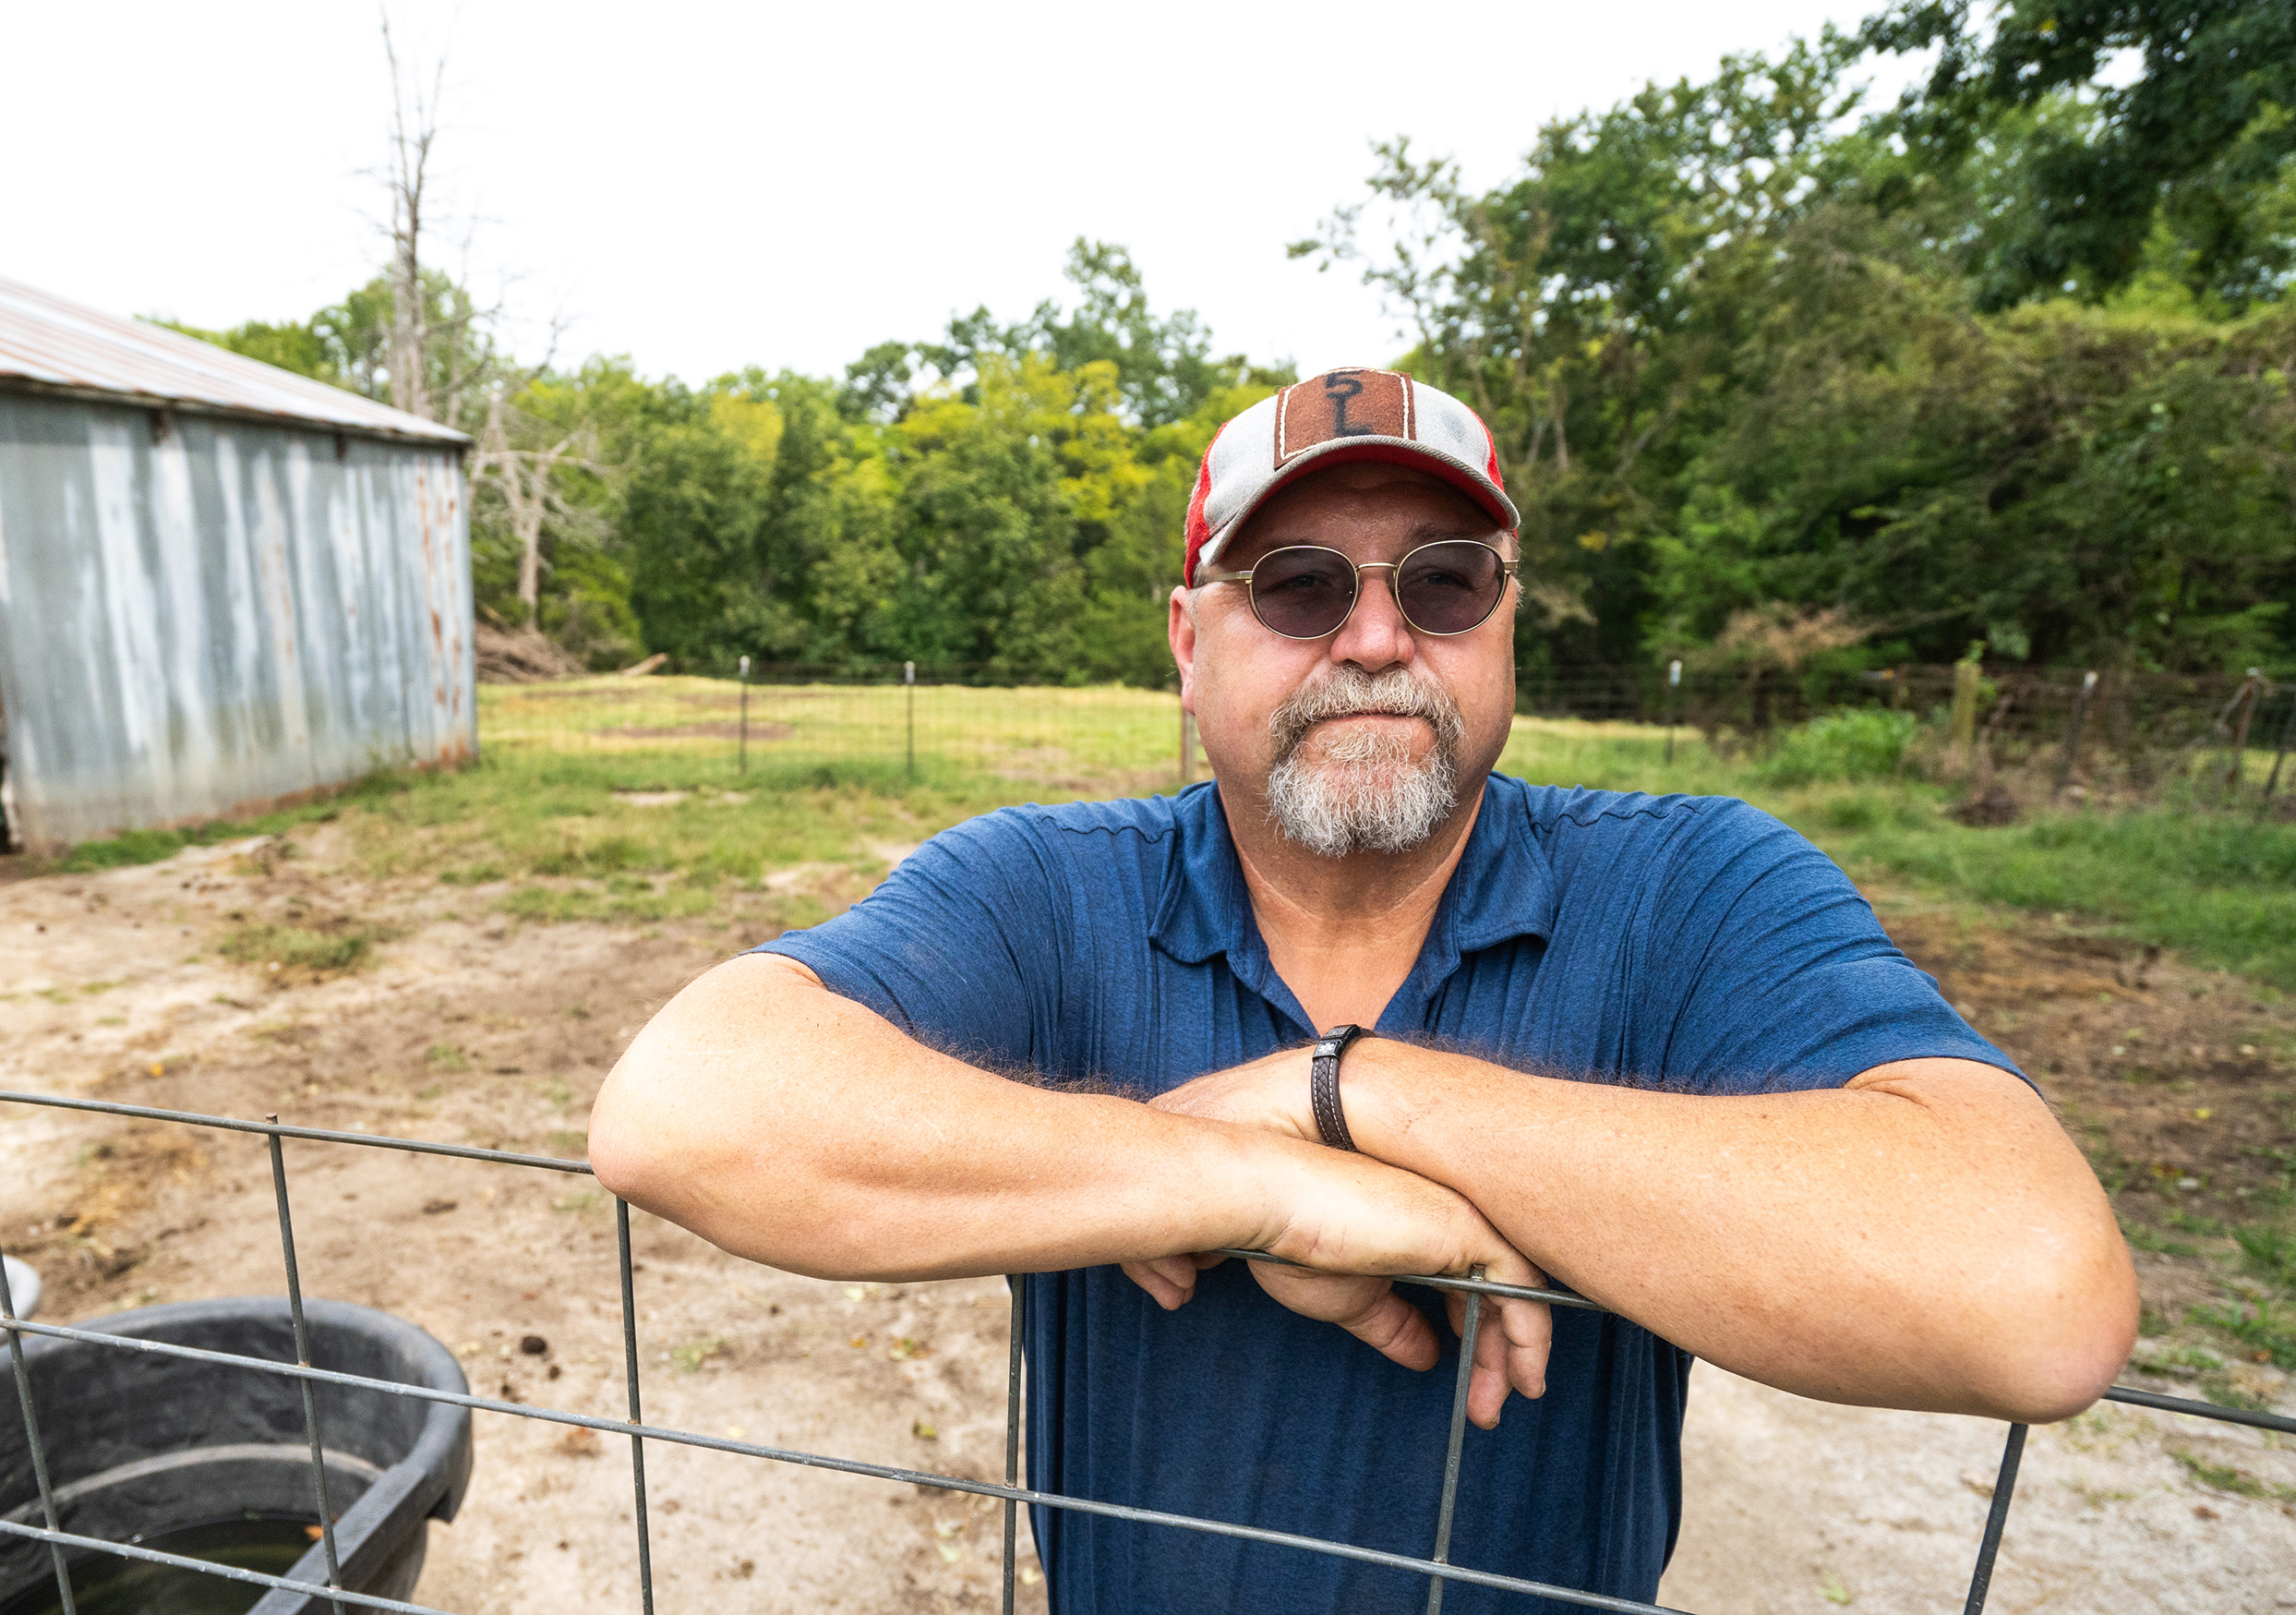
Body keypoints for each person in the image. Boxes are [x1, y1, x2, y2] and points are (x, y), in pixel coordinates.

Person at [589, 368, 2135, 1614]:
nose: (1380, 636)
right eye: (1300, 583)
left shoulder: (1686, 890)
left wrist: (1346, 1088)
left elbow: (2031, 1294)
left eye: (1447, 582)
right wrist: (1256, 1187)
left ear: (1509, 623)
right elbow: (688, 1108)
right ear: (1189, 644)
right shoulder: (1048, 890)